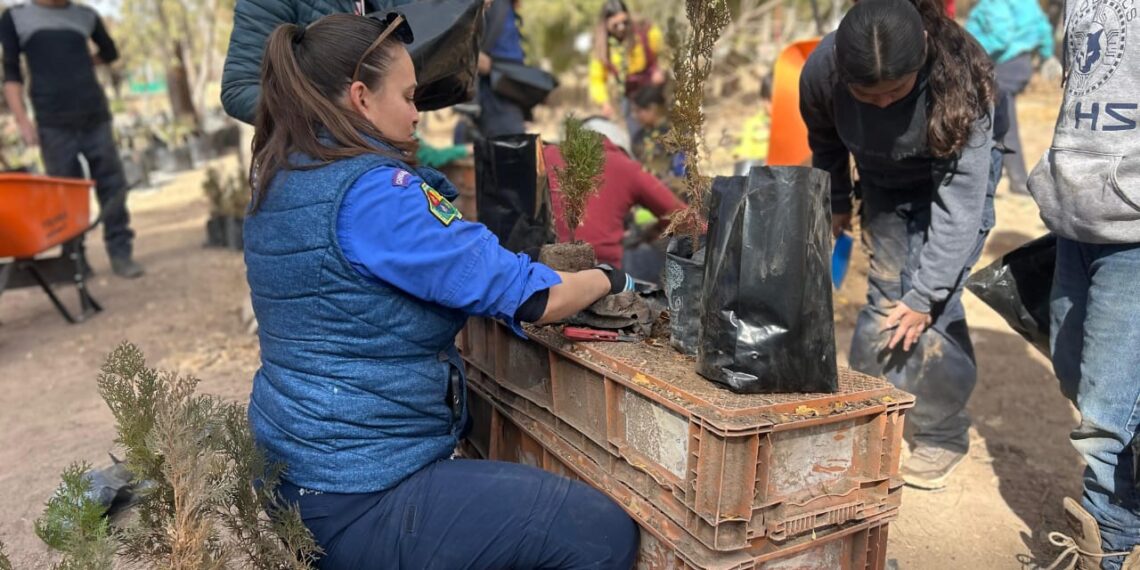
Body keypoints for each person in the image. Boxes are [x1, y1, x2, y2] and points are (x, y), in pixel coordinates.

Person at [244, 13, 639, 569]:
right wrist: (611, 278)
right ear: (361, 97)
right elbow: (532, 297)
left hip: (298, 471)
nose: (416, 112)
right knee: (598, 532)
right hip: (363, 490)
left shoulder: (280, 175)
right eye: (407, 96)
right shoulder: (373, 194)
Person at [800, 0, 999, 490]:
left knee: (933, 309)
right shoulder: (821, 71)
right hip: (883, 179)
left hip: (952, 188)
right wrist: (838, 199)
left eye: (897, 91)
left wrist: (926, 295)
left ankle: (941, 433)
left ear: (924, 55)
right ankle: (874, 416)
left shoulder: (962, 78)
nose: (884, 103)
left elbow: (959, 208)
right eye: (868, 94)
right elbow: (824, 141)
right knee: (886, 294)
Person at [1027, 0, 1140, 566]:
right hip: (1077, 214)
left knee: (1105, 409)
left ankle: (1110, 544)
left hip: (1135, 227)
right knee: (1073, 370)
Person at [0, 0, 143, 278]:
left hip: (95, 116)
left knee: (113, 185)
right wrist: (23, 121)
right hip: (52, 122)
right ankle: (75, 261)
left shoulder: (85, 16)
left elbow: (110, 52)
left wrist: (81, 61)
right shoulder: (16, 18)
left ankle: (121, 253)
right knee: (64, 196)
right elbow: (12, 73)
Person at [545, 117, 684, 272]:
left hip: (541, 264)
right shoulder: (626, 167)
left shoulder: (547, 154)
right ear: (620, 147)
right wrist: (661, 228)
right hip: (599, 269)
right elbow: (686, 219)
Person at [965, 0, 1054, 194]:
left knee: (1000, 125)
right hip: (1022, 63)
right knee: (1001, 123)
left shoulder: (994, 3)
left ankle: (1018, 179)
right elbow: (1044, 29)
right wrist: (1046, 56)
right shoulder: (1027, 2)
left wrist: (969, 53)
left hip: (1001, 64)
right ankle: (1015, 178)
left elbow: (1000, 36)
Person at [589, 0, 665, 140]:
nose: (621, 27)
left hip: (653, 89)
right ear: (605, 24)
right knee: (638, 139)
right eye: (615, 25)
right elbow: (597, 80)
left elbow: (666, 52)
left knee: (664, 135)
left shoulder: (645, 30)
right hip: (629, 96)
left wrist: (660, 70)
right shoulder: (601, 47)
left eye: (624, 22)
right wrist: (604, 103)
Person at [476, 0, 528, 138]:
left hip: (510, 88)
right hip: (494, 89)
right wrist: (474, 56)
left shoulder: (507, 6)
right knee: (509, 145)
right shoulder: (495, 4)